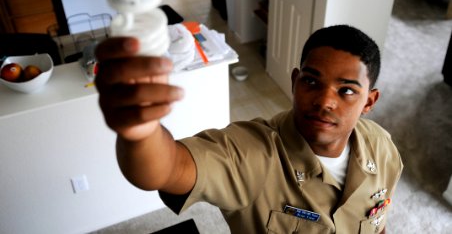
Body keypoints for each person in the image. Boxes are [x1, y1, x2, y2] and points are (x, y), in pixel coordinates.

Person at [95, 24, 403, 233]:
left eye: (346, 91)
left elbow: (377, 220)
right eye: (311, 81)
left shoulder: (383, 149)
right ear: (295, 82)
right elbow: (169, 169)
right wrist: (141, 130)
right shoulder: (252, 154)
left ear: (369, 102)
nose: (325, 101)